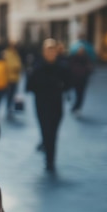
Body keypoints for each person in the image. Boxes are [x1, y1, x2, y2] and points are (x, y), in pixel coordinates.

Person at [26, 38, 72, 172]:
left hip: (56, 103)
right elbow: (30, 85)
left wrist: (60, 87)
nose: (51, 53)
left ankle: (50, 156)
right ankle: (49, 159)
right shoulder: (37, 66)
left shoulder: (62, 67)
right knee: (46, 131)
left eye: (53, 50)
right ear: (43, 52)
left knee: (53, 132)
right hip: (41, 104)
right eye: (48, 50)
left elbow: (69, 83)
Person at [68, 44, 93, 117]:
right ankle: (76, 106)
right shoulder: (75, 58)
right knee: (78, 93)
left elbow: (90, 68)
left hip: (82, 79)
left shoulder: (86, 59)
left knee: (80, 94)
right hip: (76, 79)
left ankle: (77, 106)